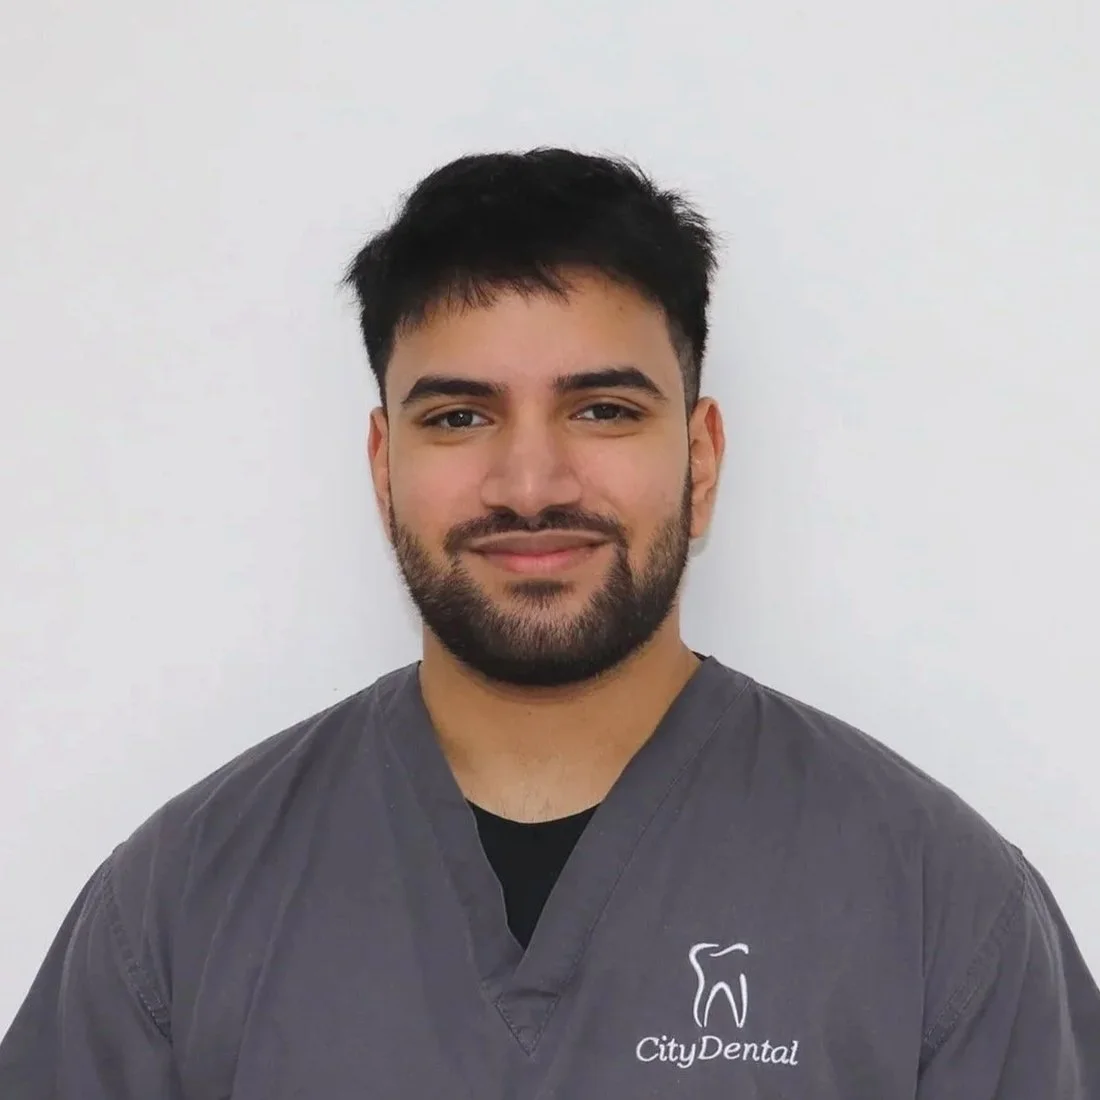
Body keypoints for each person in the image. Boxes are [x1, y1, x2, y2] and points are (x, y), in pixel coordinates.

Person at [1, 148, 1097, 1099]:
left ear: (700, 459)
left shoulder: (938, 904)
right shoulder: (180, 906)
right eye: (459, 415)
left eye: (602, 409)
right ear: (384, 466)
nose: (529, 483)